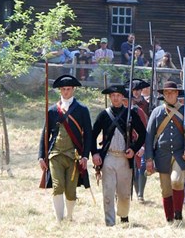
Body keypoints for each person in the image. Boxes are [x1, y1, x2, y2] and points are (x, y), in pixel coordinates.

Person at [145, 81, 185, 223]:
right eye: (166, 92)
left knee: (176, 181)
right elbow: (149, 136)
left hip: (180, 155)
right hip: (162, 155)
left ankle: (178, 214)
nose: (169, 95)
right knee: (165, 190)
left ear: (177, 93)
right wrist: (149, 159)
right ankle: (169, 219)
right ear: (163, 95)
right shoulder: (157, 112)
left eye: (172, 92)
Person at [38, 75, 92, 222]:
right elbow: (45, 134)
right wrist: (41, 156)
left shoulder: (82, 110)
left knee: (70, 190)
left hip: (74, 155)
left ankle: (69, 217)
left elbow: (88, 135)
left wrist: (85, 156)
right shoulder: (53, 111)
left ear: (73, 90)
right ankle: (58, 220)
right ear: (60, 91)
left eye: (68, 89)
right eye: (63, 89)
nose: (66, 92)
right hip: (55, 154)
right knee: (57, 186)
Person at [92, 84, 146, 226]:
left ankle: (123, 216)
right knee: (108, 192)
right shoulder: (104, 115)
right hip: (108, 157)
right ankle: (109, 222)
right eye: (113, 96)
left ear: (123, 97)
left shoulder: (131, 114)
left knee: (124, 193)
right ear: (110, 97)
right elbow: (92, 135)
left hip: (124, 158)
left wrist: (133, 149)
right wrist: (95, 153)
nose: (116, 98)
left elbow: (143, 134)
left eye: (118, 95)